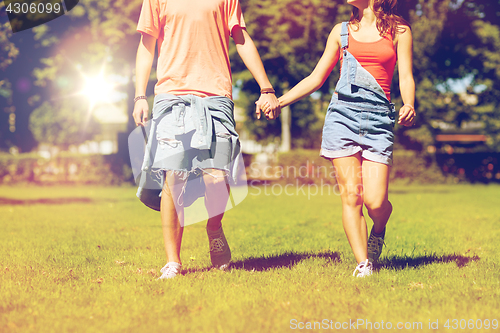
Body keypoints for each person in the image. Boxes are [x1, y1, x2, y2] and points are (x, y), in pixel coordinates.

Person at [260, 0, 415, 277]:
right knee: (352, 196)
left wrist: (409, 103)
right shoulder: (340, 32)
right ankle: (363, 263)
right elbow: (316, 78)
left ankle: (379, 228)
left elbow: (405, 76)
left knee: (376, 202)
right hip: (342, 117)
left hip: (379, 120)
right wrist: (279, 102)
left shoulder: (400, 32)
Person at [133, 0, 281, 279]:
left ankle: (213, 226)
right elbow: (146, 46)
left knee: (216, 177)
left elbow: (241, 38)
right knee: (173, 177)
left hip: (215, 96)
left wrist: (266, 87)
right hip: (171, 95)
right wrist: (140, 95)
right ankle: (173, 261)